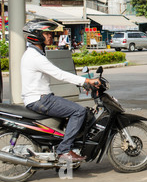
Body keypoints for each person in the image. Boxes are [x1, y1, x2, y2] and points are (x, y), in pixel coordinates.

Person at [21, 19, 100, 162]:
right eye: (46, 33)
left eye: (50, 34)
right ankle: (64, 150)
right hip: (40, 99)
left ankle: (64, 145)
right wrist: (85, 81)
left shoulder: (34, 54)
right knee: (79, 111)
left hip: (38, 98)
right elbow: (59, 74)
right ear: (36, 35)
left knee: (68, 110)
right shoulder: (35, 57)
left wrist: (83, 83)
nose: (50, 36)